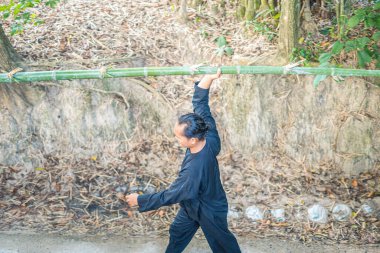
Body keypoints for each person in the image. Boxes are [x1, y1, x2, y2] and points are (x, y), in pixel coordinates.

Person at [122, 69, 241, 253]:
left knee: (224, 247)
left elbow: (172, 194)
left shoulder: (194, 170)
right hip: (191, 204)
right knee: (177, 232)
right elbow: (201, 106)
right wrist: (209, 78)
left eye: (179, 137)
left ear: (192, 140)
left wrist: (140, 199)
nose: (177, 140)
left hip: (210, 209)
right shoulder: (209, 136)